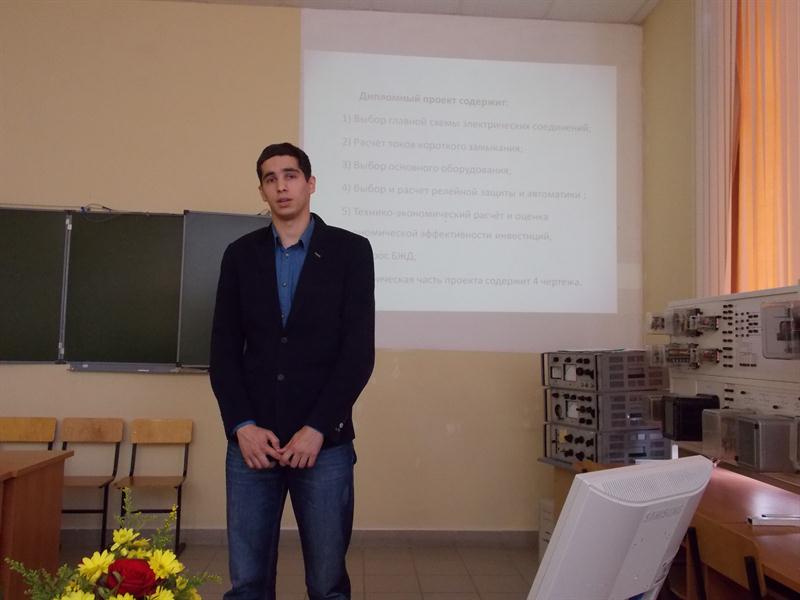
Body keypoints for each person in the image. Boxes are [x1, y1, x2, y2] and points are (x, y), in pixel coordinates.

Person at [210, 142, 375, 600]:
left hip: (324, 445)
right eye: (270, 178)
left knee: (327, 585)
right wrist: (242, 426)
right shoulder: (240, 255)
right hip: (252, 445)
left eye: (290, 175)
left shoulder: (351, 251)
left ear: (310, 183)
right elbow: (223, 351)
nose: (281, 186)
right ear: (262, 191)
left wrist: (318, 427)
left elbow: (357, 354)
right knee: (247, 584)